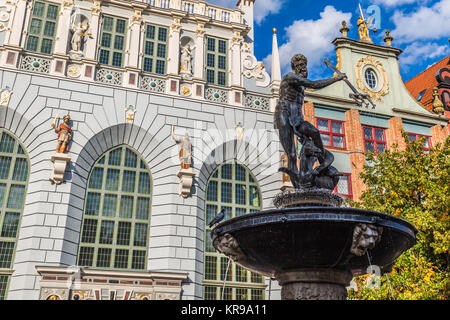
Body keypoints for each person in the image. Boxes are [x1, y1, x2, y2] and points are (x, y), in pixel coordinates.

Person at [274, 54, 346, 188]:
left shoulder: (301, 85)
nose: (302, 68)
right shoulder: (290, 77)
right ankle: (298, 188)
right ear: (294, 68)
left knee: (315, 132)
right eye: (298, 66)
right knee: (291, 154)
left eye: (303, 65)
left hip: (297, 118)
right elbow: (314, 84)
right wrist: (336, 79)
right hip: (283, 114)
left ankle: (323, 162)